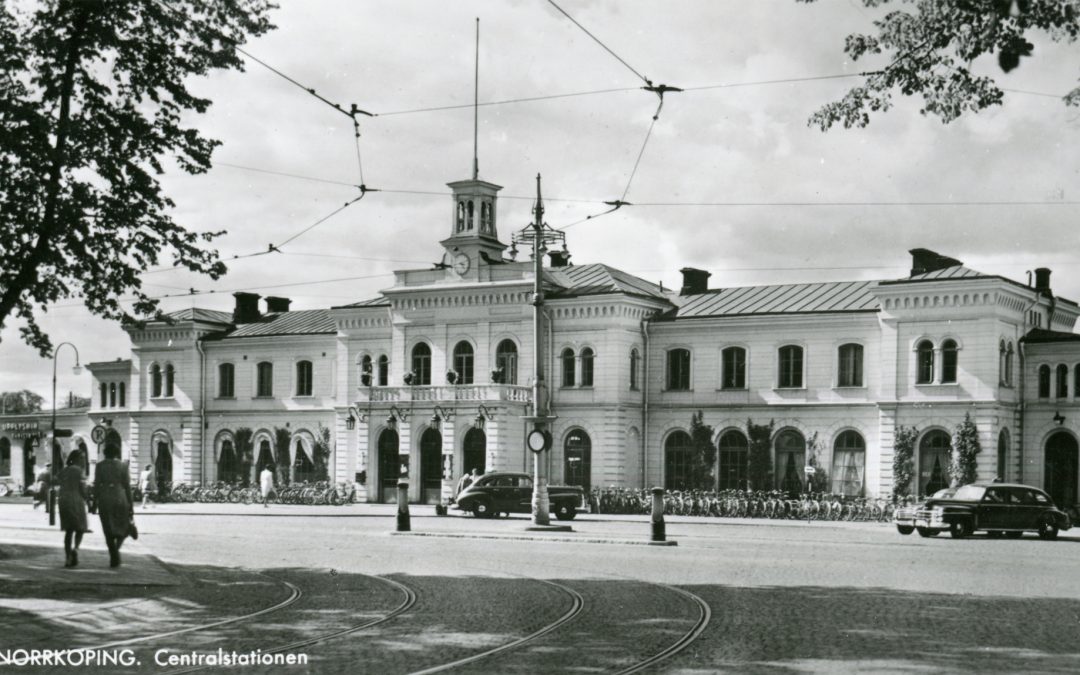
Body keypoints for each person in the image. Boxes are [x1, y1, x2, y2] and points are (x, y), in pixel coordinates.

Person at [93, 441, 133, 568]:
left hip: (104, 498)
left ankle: (113, 553)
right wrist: (131, 504)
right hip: (120, 497)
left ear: (105, 453)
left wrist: (94, 501)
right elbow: (127, 486)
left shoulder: (99, 466)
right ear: (116, 453)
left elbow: (96, 485)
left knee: (107, 529)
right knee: (123, 527)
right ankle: (116, 550)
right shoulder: (123, 466)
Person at [58, 451, 89, 567]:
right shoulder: (79, 471)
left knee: (68, 530)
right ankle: (75, 549)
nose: (83, 460)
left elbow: (57, 481)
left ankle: (67, 558)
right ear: (76, 458)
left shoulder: (64, 470)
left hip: (63, 501)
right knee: (80, 528)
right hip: (76, 500)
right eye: (82, 458)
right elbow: (83, 488)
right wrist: (88, 499)